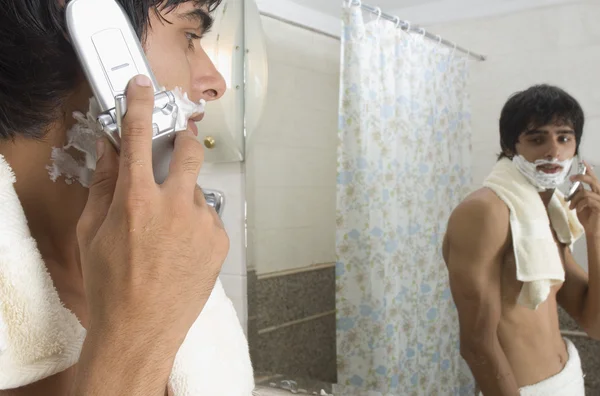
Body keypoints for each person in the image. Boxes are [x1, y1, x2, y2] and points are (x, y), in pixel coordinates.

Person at [0, 0, 253, 395]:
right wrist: (135, 338)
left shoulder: (167, 256)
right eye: (189, 36)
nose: (216, 82)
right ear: (96, 31)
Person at [443, 84, 600, 396]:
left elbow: (594, 324)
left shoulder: (548, 214)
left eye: (564, 137)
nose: (553, 151)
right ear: (511, 147)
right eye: (537, 138)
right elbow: (476, 345)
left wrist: (596, 235)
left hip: (567, 378)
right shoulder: (485, 212)